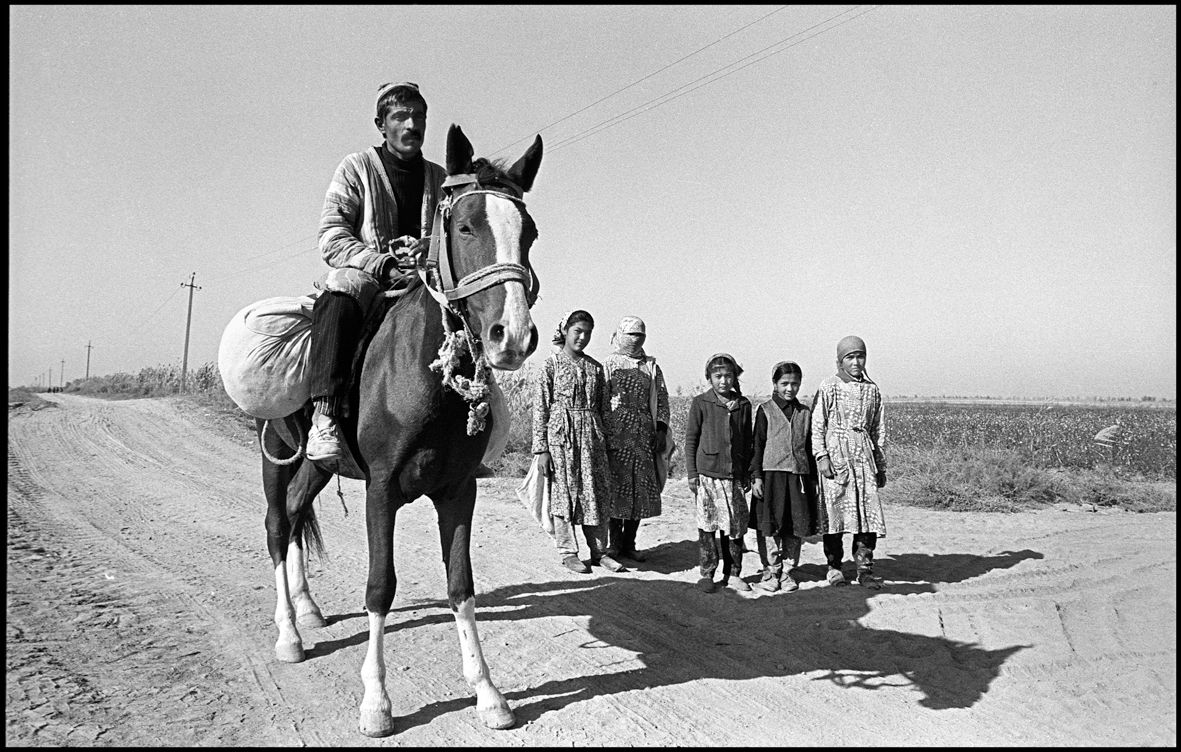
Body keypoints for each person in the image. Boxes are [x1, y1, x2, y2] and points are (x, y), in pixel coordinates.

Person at [306, 81, 447, 460]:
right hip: (367, 275)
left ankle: (472, 429)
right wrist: (377, 259)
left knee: (468, 308)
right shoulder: (355, 168)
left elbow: (451, 240)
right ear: (381, 124)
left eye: (419, 116)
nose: (411, 125)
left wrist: (427, 249)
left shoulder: (441, 178)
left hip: (422, 279)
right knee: (340, 291)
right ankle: (325, 416)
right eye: (400, 116)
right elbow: (331, 235)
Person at [531, 311, 625, 574]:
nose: (582, 338)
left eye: (587, 333)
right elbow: (541, 409)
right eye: (577, 332)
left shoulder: (596, 368)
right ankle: (568, 552)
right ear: (566, 332)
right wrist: (542, 450)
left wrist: (608, 442)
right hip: (561, 439)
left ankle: (599, 552)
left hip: (592, 438)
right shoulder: (550, 366)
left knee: (595, 492)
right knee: (564, 494)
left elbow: (605, 409)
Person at [811, 335, 887, 590]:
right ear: (840, 360)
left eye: (860, 356)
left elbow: (878, 429)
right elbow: (818, 424)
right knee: (834, 514)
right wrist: (821, 456)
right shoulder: (829, 386)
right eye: (850, 357)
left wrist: (880, 464)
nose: (856, 362)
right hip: (836, 457)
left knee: (866, 516)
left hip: (864, 459)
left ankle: (864, 569)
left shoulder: (872, 389)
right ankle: (834, 567)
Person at [684, 353, 754, 593]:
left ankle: (733, 573)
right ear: (709, 378)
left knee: (734, 527)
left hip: (734, 476)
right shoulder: (700, 403)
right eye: (718, 376)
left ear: (735, 377)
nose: (723, 381)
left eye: (728, 376)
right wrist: (692, 473)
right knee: (708, 526)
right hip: (707, 476)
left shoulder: (743, 405)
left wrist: (747, 474)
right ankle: (707, 573)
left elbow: (747, 442)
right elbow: (691, 440)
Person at [602, 316, 670, 564]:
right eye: (630, 334)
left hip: (643, 437)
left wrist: (661, 430)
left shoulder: (651, 366)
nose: (635, 339)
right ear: (619, 334)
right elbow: (601, 399)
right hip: (615, 435)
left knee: (638, 490)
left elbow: (661, 400)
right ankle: (613, 544)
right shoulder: (609, 364)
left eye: (640, 335)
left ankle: (630, 543)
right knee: (616, 489)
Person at [748, 361, 819, 593]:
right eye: (785, 383)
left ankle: (787, 571)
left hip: (798, 477)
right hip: (771, 476)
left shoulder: (805, 412)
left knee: (793, 524)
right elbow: (757, 445)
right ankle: (771, 569)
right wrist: (756, 476)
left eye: (795, 384)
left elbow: (809, 448)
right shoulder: (765, 410)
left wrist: (814, 480)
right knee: (770, 524)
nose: (790, 388)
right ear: (775, 384)